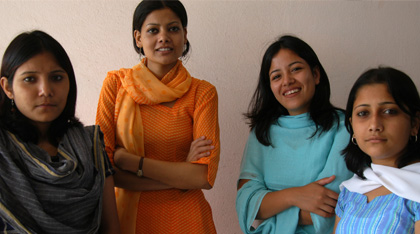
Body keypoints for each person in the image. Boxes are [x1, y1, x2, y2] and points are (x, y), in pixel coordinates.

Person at [95, 0, 220, 233]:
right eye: (153, 30)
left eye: (173, 28)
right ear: (138, 38)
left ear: (184, 35)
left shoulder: (202, 93)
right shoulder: (116, 86)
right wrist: (182, 172)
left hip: (188, 220)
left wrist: (133, 162)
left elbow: (203, 176)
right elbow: (105, 170)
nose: (164, 37)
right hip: (128, 220)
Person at [0, 30, 120, 234]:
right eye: (30, 79)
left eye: (56, 77)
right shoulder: (4, 151)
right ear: (7, 87)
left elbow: (111, 228)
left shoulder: (90, 145)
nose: (45, 90)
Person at [236, 35, 353, 234]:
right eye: (276, 76)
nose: (287, 81)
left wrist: (272, 208)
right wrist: (295, 196)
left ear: (316, 75)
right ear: (270, 87)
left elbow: (328, 205)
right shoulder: (262, 132)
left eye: (296, 69)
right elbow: (246, 203)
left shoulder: (343, 127)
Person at [333, 67, 420, 234]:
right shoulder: (350, 191)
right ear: (352, 126)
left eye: (389, 111)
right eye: (363, 113)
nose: (374, 125)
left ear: (415, 124)